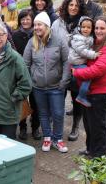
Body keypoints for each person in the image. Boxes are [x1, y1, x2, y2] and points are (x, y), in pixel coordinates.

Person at [73, 16, 106, 158]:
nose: (98, 31)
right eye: (96, 28)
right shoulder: (97, 43)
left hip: (100, 92)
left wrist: (76, 72)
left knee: (98, 126)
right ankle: (90, 150)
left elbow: (97, 70)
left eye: (102, 28)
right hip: (90, 90)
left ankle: (99, 157)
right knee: (89, 124)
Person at [23, 12, 71, 153]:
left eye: (40, 24)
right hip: (38, 87)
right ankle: (47, 137)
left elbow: (67, 61)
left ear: (47, 26)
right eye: (35, 24)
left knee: (57, 113)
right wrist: (30, 81)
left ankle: (58, 139)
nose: (36, 27)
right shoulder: (31, 42)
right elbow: (25, 64)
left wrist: (64, 81)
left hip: (56, 86)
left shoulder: (59, 40)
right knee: (43, 113)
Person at [51, 0, 87, 141]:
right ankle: (56, 122)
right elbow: (51, 41)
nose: (73, 8)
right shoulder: (58, 22)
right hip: (60, 66)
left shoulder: (84, 23)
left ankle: (75, 126)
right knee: (59, 94)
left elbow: (89, 41)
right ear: (66, 5)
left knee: (76, 97)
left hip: (77, 67)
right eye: (71, 5)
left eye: (76, 6)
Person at [12, 9, 41, 141]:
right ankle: (22, 127)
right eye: (22, 19)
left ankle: (35, 127)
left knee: (36, 103)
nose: (25, 21)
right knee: (21, 102)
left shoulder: (38, 35)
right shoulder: (14, 35)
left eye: (28, 19)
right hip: (19, 74)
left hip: (35, 74)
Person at [68, 16, 99, 108]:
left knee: (83, 78)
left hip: (80, 62)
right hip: (76, 63)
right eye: (83, 27)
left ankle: (84, 90)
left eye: (88, 27)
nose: (85, 29)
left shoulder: (88, 37)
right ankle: (81, 96)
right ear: (79, 28)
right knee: (88, 75)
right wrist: (94, 54)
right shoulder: (78, 38)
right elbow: (82, 51)